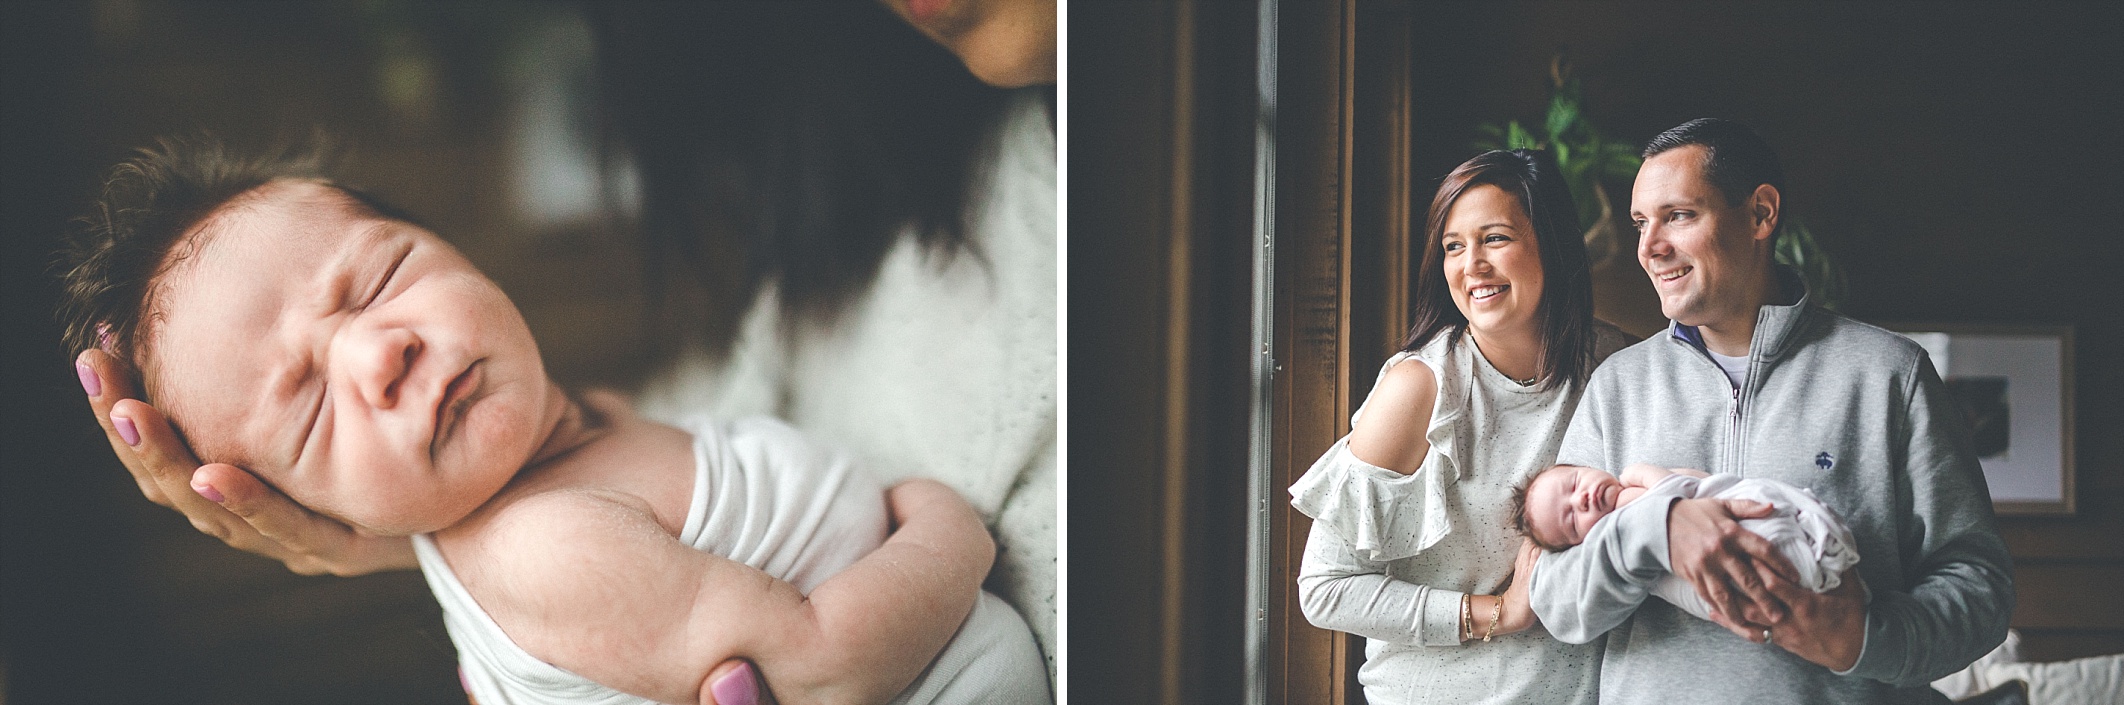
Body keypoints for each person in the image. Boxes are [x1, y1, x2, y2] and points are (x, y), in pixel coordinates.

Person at [70, 2, 1057, 701]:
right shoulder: (544, 546)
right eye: (311, 404)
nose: (383, 353)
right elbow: (820, 666)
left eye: (380, 279)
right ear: (296, 512)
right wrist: (945, 528)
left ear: (458, 248)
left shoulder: (581, 434)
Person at [1524, 118, 2013, 703]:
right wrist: (1655, 527)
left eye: (1678, 216)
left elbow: (1980, 588)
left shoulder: (1889, 375)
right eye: (1640, 222)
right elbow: (1556, 601)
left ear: (1760, 214)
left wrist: (1860, 639)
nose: (1649, 247)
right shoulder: (1618, 387)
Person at [1288, 149, 1634, 705]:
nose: (1471, 264)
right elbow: (1326, 590)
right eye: (1453, 245)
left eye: (1495, 238)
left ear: (1553, 244)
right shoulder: (1420, 389)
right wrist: (1502, 613)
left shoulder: (1618, 367)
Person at [1511, 463, 1861, 639]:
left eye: (1574, 483)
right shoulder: (1624, 505)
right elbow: (1554, 599)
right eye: (1572, 520)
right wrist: (1650, 499)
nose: (1581, 498)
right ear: (1579, 546)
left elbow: (1702, 485)